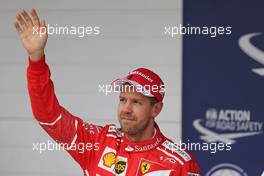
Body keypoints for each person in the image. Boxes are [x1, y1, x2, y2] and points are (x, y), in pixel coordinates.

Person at [14, 9, 200, 176]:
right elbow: (48, 116)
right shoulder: (97, 142)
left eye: (136, 102)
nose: (126, 109)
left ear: (156, 109)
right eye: (122, 99)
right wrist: (36, 58)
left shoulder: (179, 163)